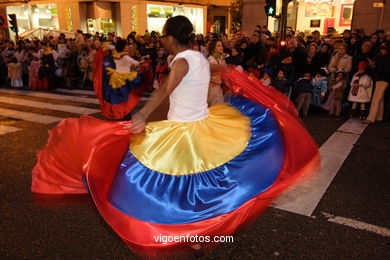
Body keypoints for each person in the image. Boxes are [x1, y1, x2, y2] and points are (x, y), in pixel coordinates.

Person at [31, 16, 319, 257]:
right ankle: (201, 232)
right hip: (206, 125)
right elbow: (197, 82)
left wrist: (143, 115)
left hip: (184, 130)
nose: (162, 42)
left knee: (153, 181)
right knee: (201, 183)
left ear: (170, 38)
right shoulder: (199, 57)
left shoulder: (181, 60)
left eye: (163, 37)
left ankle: (193, 231)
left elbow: (163, 90)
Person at [363, 42, 390, 124]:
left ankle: (371, 118)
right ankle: (379, 117)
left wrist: (373, 66)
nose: (381, 50)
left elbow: (384, 70)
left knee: (376, 99)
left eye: (383, 48)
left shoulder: (386, 59)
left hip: (382, 79)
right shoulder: (385, 58)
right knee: (380, 99)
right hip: (383, 79)